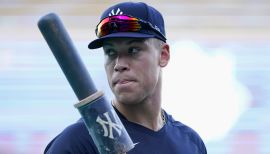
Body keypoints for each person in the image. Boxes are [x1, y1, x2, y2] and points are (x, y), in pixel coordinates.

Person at [44, 1, 207, 154]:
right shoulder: (77, 144)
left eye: (133, 50)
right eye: (110, 52)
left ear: (163, 55)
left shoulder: (190, 143)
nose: (119, 64)